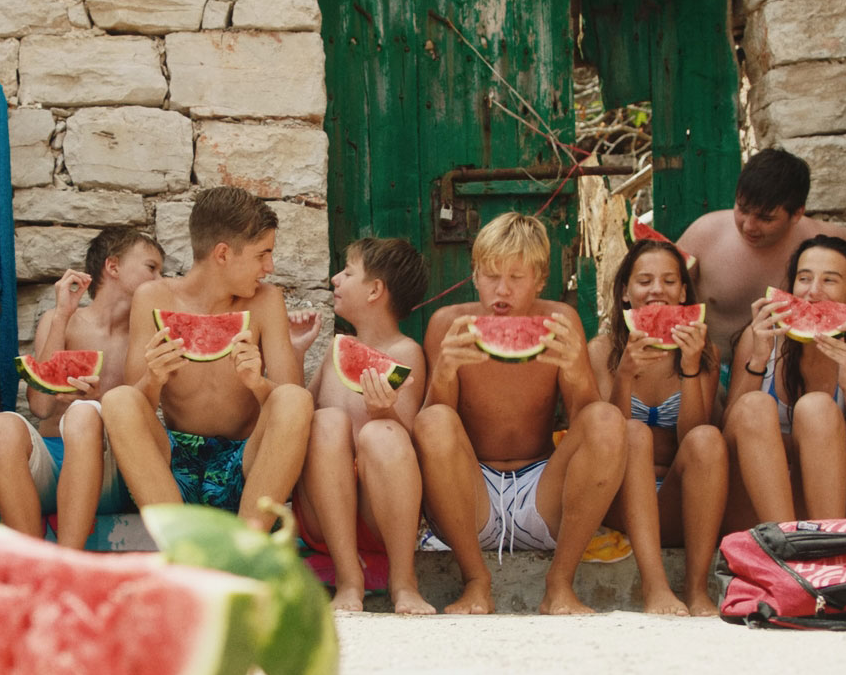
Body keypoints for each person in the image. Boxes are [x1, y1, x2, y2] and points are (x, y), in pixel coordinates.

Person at [414, 212, 626, 616]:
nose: (502, 290)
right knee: (434, 420)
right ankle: (476, 581)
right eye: (491, 275)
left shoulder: (560, 321)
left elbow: (589, 419)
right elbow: (429, 428)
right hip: (469, 494)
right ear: (474, 275)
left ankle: (560, 584)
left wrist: (577, 372)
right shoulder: (447, 324)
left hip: (541, 491)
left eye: (516, 277)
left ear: (540, 280)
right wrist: (443, 372)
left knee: (606, 418)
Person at [101, 187, 313, 531]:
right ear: (223, 254)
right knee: (119, 400)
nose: (269, 267)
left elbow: (291, 405)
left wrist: (258, 384)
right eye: (262, 254)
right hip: (172, 466)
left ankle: (249, 548)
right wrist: (154, 379)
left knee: (293, 399)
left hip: (245, 465)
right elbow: (136, 404)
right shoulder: (153, 297)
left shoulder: (266, 301)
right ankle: (181, 550)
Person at [0, 227, 164, 549]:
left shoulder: (145, 334)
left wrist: (98, 407)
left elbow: (143, 411)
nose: (160, 280)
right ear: (113, 267)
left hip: (111, 473)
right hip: (52, 464)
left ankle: (68, 559)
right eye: (152, 268)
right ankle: (32, 559)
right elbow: (39, 407)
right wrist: (62, 316)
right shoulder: (60, 319)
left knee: (84, 413)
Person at [587, 240, 729, 616]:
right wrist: (626, 376)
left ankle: (698, 589)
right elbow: (605, 438)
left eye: (669, 281)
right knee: (633, 433)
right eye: (644, 280)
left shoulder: (704, 350)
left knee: (708, 438)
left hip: (681, 501)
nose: (657, 291)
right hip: (619, 501)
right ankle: (655, 587)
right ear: (625, 292)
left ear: (684, 292)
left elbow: (692, 434)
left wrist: (690, 367)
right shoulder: (601, 352)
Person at [290, 238, 432, 614]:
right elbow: (297, 415)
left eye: (348, 272)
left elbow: (407, 443)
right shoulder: (336, 349)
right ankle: (348, 578)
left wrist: (383, 412)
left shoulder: (406, 354)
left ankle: (404, 581)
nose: (336, 279)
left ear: (375, 290)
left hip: (380, 513)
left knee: (382, 433)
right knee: (326, 420)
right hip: (322, 512)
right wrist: (296, 353)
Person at [676, 148, 846, 396]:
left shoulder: (820, 240)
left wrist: (844, 312)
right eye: (742, 209)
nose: (749, 225)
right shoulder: (703, 234)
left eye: (766, 218)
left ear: (796, 214)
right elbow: (665, 286)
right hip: (711, 370)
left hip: (781, 371)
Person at [723, 235, 846, 527]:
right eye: (804, 278)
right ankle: (788, 547)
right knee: (755, 405)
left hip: (813, 513)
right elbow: (728, 438)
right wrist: (759, 361)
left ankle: (821, 546)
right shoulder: (760, 337)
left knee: (819, 408)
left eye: (829, 280)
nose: (813, 292)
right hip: (746, 507)